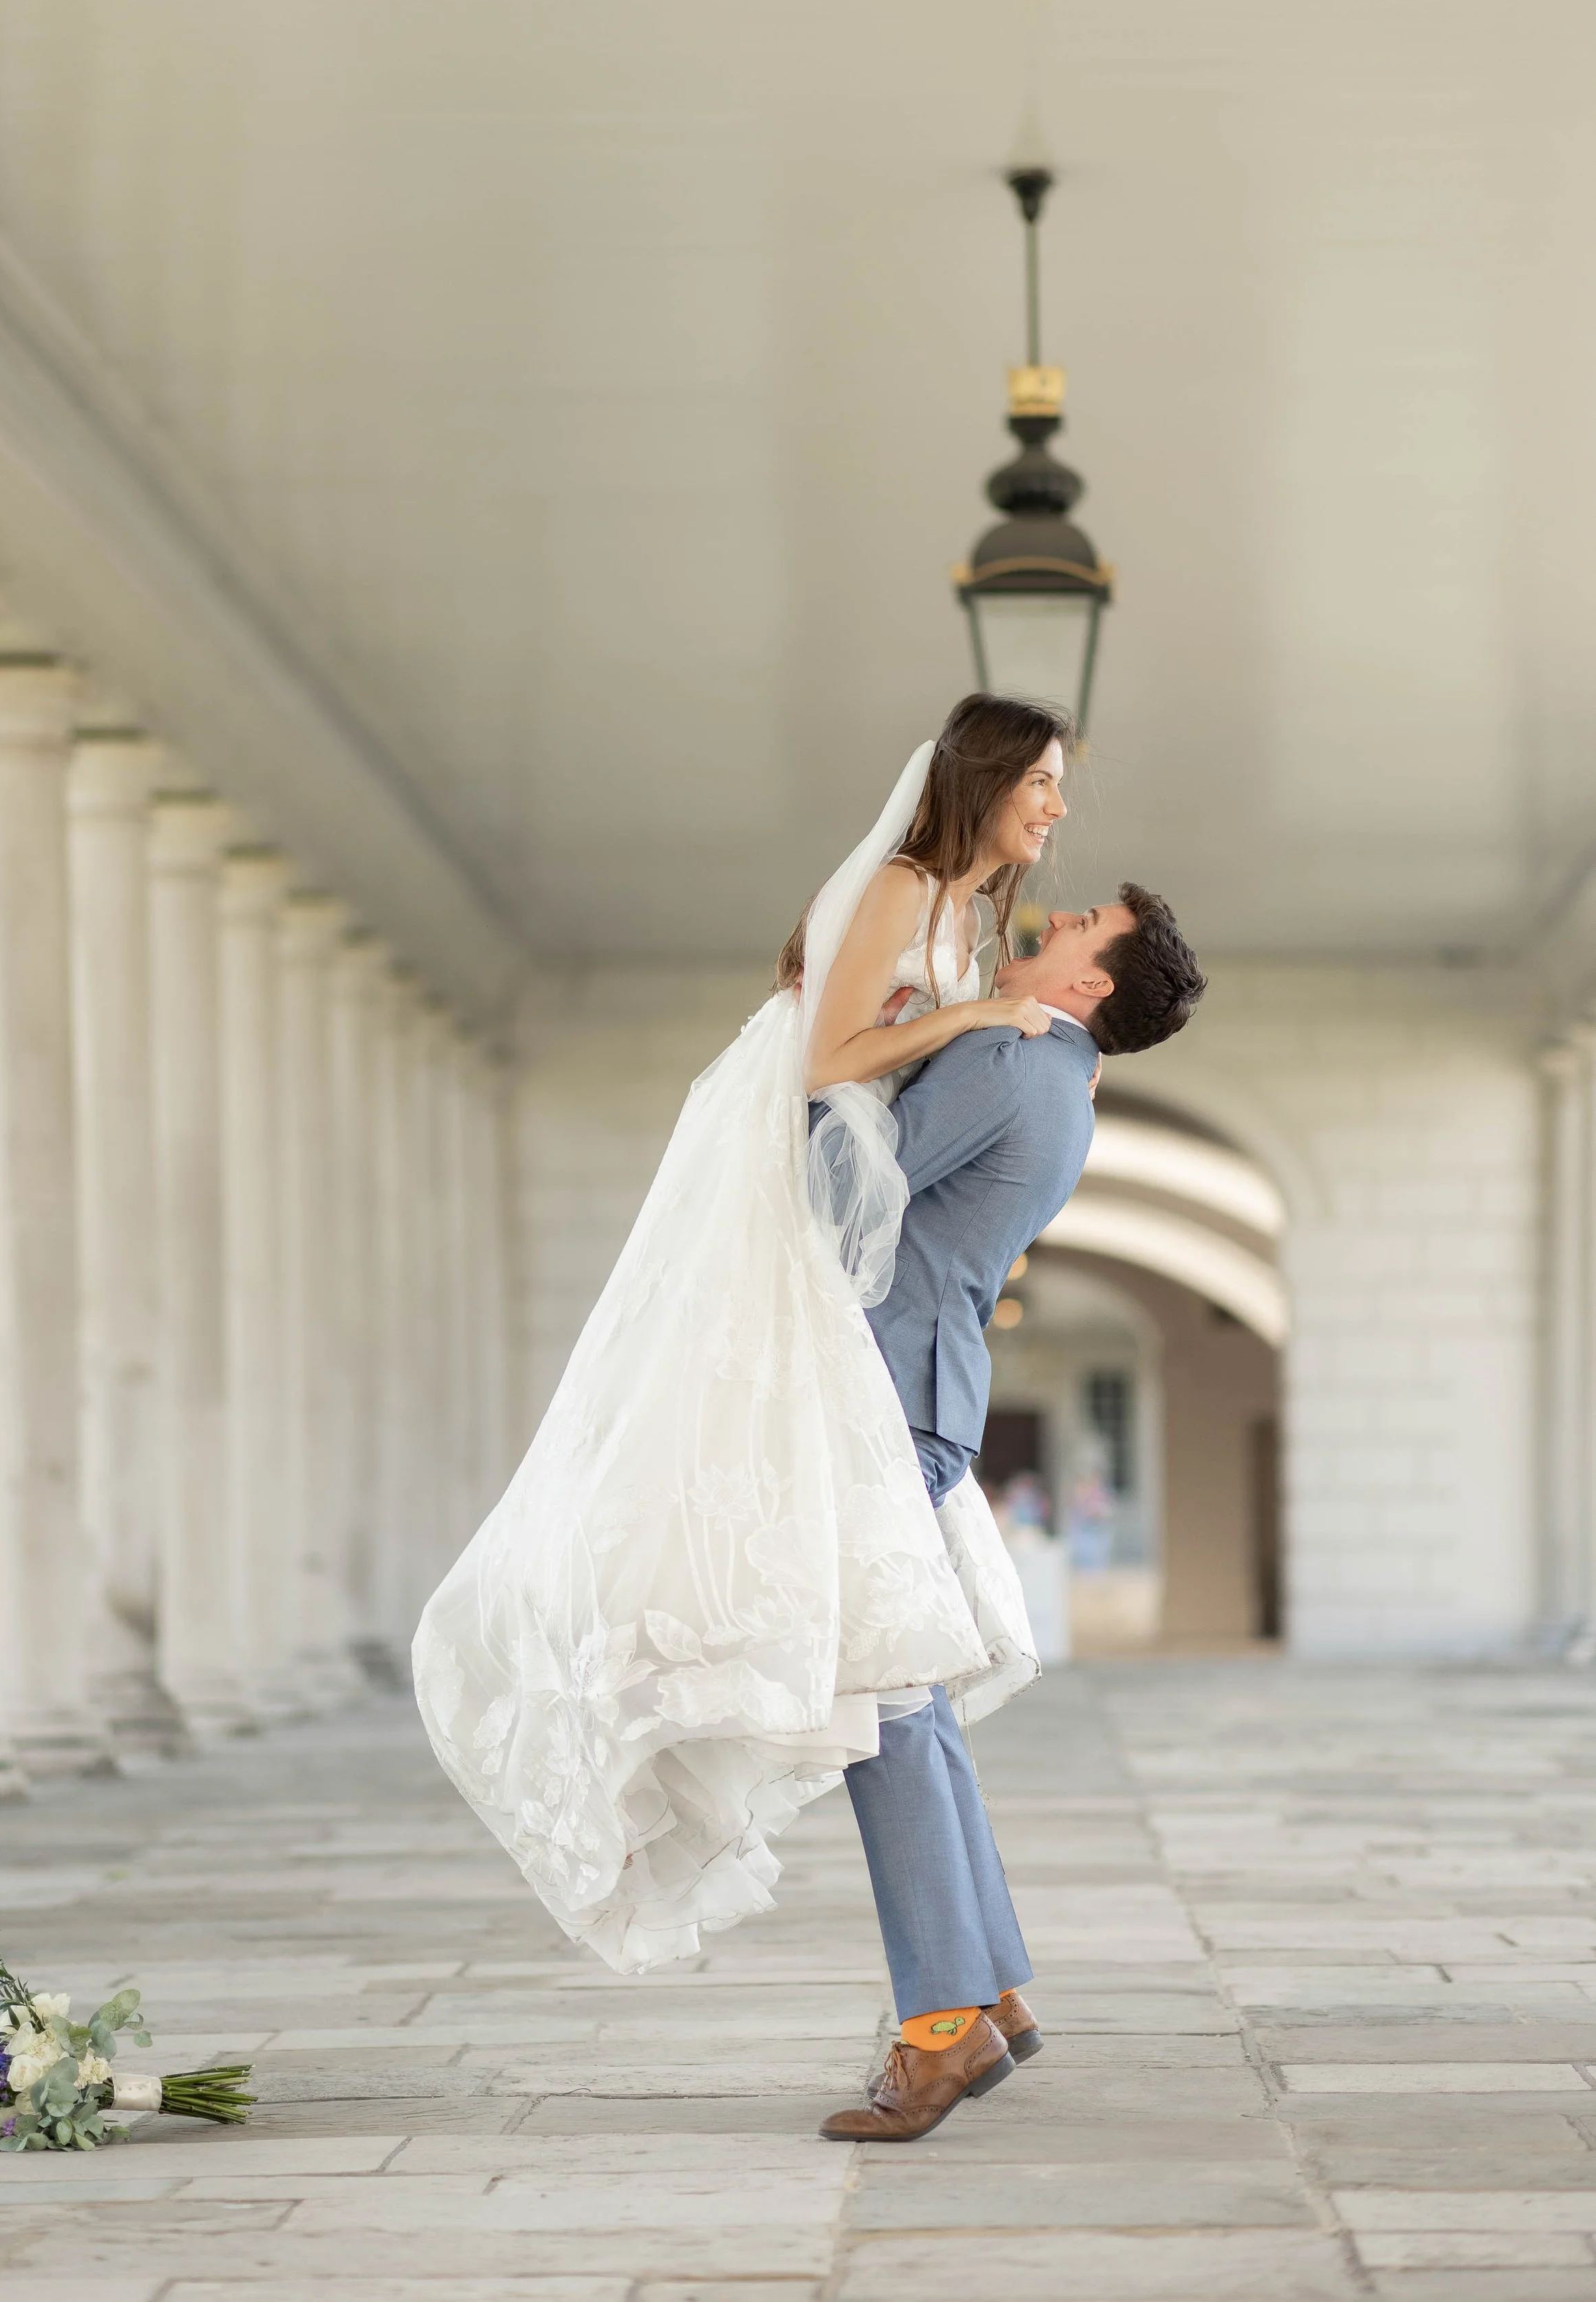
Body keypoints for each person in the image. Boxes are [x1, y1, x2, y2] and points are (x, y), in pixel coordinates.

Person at [412, 697, 1083, 1980]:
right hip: (798, 1206)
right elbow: (830, 1057)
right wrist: (980, 1023)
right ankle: (965, 1998)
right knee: (886, 1671)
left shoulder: (974, 924)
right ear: (985, 781)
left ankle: (968, 1997)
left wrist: (1014, 1039)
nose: (1056, 807)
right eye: (1041, 782)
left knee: (894, 1674)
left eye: (1060, 786)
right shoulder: (907, 885)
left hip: (872, 1292)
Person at [821, 883, 1207, 2143]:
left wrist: (841, 1062)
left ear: (1092, 984)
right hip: (927, 1396)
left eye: (1091, 921)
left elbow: (843, 1201)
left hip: (882, 1398)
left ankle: (940, 2031)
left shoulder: (1007, 1052)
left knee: (881, 1704)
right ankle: (987, 1988)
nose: (1069, 906)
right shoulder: (1061, 1082)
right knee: (908, 1696)